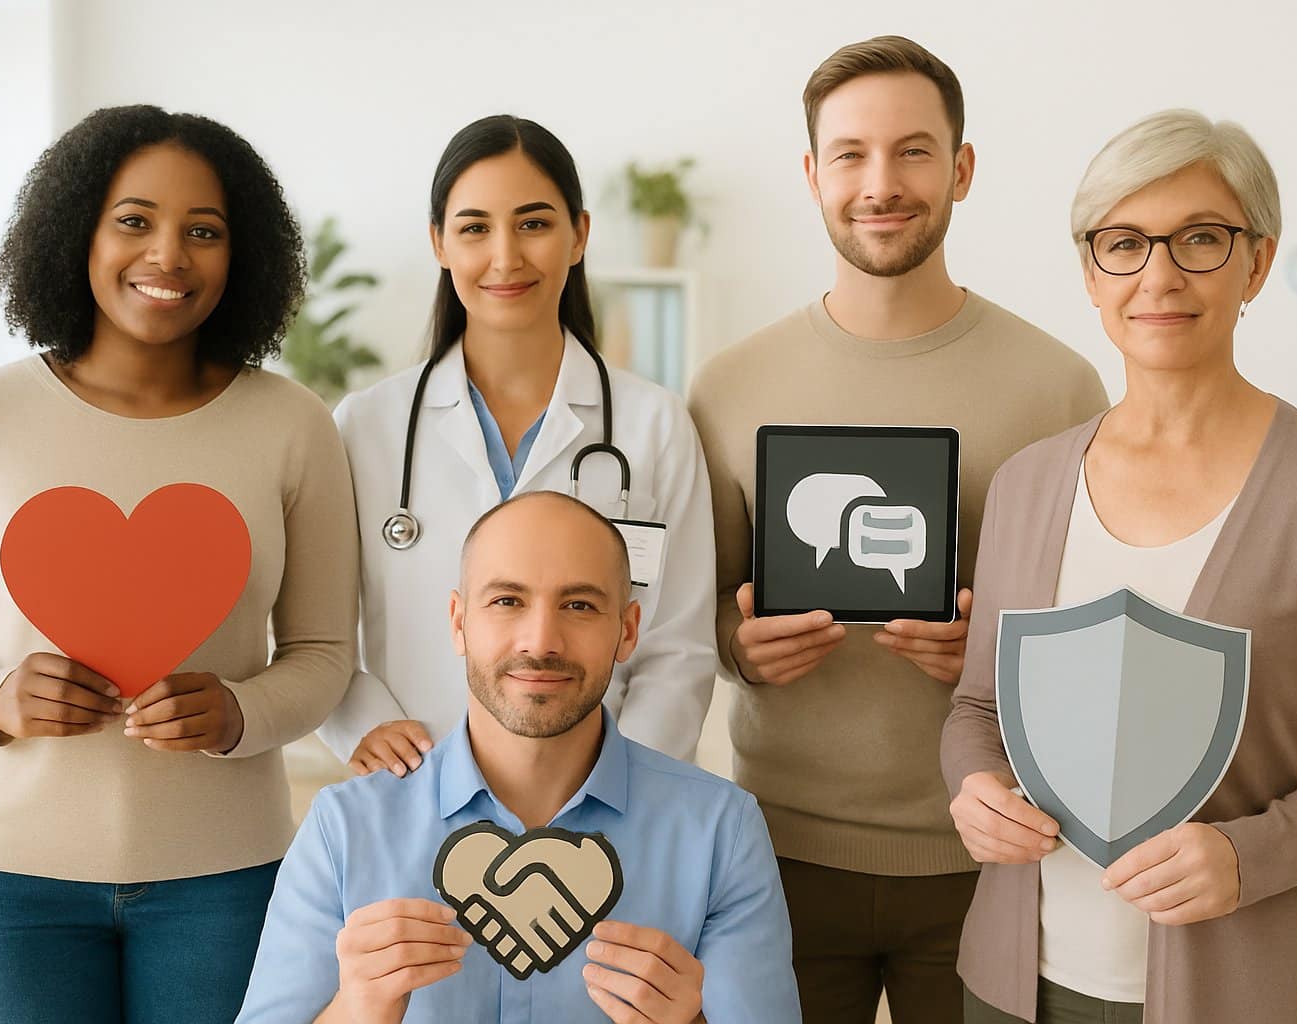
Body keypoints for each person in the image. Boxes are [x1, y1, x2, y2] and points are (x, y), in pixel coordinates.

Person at [0, 105, 359, 1024]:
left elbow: (326, 653)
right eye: (134, 220)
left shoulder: (294, 426)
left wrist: (240, 712)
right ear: (76, 233)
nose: (167, 255)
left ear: (240, 255)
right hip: (3, 888)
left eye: (203, 231)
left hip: (226, 882)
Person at [687, 36, 1109, 1023]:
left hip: (992, 854)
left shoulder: (1060, 388)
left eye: (914, 151)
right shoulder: (727, 386)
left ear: (962, 167)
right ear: (812, 174)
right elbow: (690, 615)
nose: (882, 183)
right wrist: (740, 646)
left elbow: (1098, 634)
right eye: (851, 154)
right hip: (775, 855)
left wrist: (999, 658)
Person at [944, 109, 1297, 1023]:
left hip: (1253, 991)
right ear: (1089, 272)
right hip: (1018, 986)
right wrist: (974, 788)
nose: (1159, 275)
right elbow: (977, 708)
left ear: (1257, 261)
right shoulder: (1029, 484)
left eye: (1201, 239)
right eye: (1124, 243)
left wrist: (1247, 855)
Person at [237, 490, 799, 1023]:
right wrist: (356, 1012)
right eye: (507, 601)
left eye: (579, 605)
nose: (540, 640)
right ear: (459, 623)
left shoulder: (722, 830)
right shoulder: (344, 829)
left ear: (627, 632)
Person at [316, 115, 715, 777]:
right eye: (474, 228)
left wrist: (629, 784)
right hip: (416, 786)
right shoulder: (368, 425)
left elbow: (678, 647)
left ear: (579, 235)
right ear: (439, 242)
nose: (505, 257)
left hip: (603, 800)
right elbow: (318, 637)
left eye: (533, 223)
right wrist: (363, 723)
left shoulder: (654, 425)